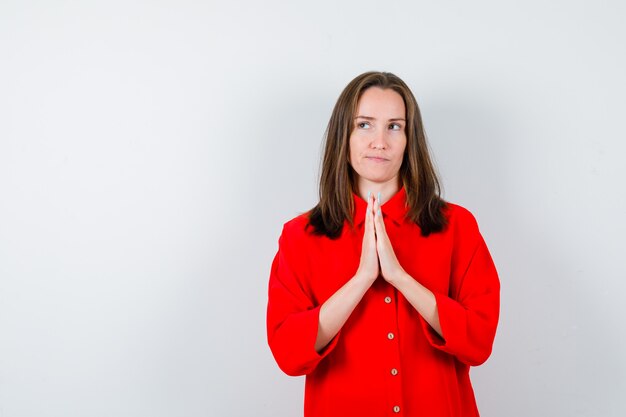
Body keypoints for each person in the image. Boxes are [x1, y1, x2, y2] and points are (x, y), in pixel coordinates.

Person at [266, 71, 500, 417]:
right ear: (343, 137)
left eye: (394, 126)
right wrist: (361, 279)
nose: (380, 141)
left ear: (409, 140)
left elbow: (479, 342)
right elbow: (288, 354)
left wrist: (401, 278)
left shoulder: (458, 227)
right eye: (364, 125)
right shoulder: (299, 237)